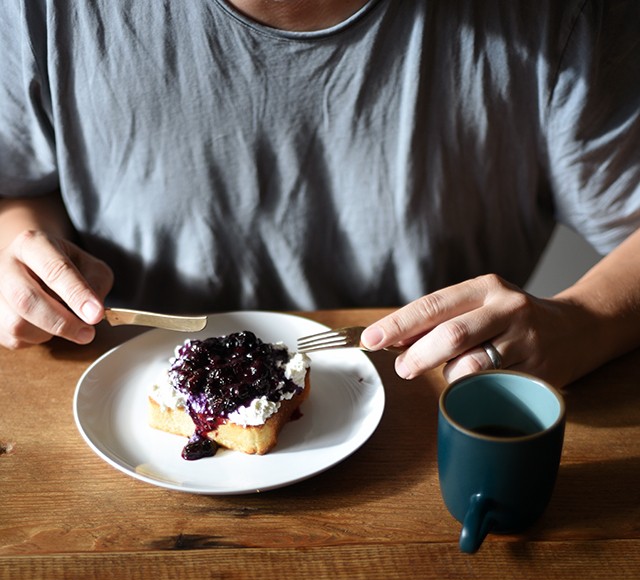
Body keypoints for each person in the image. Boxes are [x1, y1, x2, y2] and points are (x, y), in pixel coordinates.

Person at [1, 0, 639, 389]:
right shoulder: (43, 13)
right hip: (120, 416)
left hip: (440, 415)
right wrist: (18, 257)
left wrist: (583, 321)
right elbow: (18, 189)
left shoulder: (560, 16)